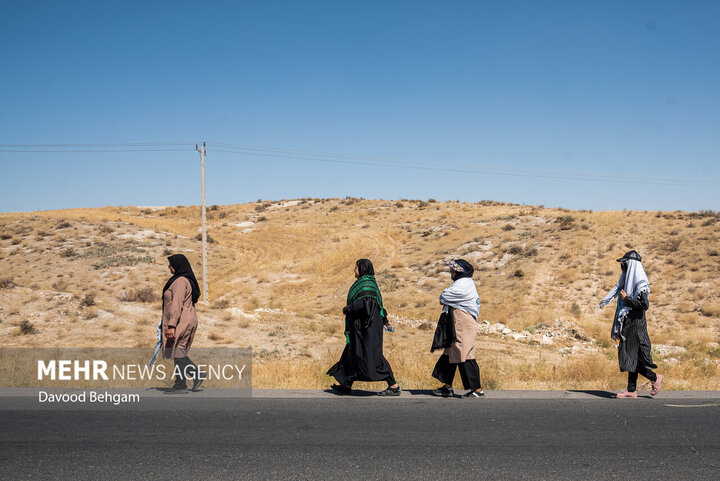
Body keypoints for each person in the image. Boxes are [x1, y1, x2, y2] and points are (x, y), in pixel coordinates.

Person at [327, 259, 401, 396]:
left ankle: (393, 385)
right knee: (352, 354)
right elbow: (378, 305)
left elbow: (366, 305)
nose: (354, 270)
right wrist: (384, 318)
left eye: (356, 267)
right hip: (362, 327)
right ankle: (346, 384)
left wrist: (348, 309)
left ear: (363, 268)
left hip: (367, 328)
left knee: (372, 356)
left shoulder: (366, 284)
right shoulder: (368, 282)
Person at [598, 250, 664, 398]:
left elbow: (643, 305)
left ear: (632, 265)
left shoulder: (640, 283)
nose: (623, 266)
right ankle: (631, 390)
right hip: (629, 323)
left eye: (625, 263)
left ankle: (654, 378)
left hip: (636, 324)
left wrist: (627, 299)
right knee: (630, 356)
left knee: (631, 356)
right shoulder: (628, 281)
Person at [432, 259, 484, 398]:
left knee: (464, 354)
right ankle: (447, 387)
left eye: (453, 270)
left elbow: (443, 297)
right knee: (451, 353)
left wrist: (444, 293)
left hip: (462, 321)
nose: (451, 272)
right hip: (461, 321)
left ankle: (476, 389)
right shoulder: (466, 283)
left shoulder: (462, 285)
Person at [162, 254, 204, 393]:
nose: (169, 266)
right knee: (179, 350)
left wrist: (172, 326)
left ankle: (181, 385)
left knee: (177, 350)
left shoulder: (180, 281)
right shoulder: (182, 280)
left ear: (178, 265)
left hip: (182, 321)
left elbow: (176, 304)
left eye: (171, 264)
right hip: (186, 319)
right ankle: (194, 376)